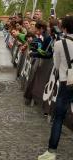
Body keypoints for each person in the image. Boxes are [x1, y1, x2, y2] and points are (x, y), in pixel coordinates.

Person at [38, 15, 73, 160]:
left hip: (66, 82)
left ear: (63, 28)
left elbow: (56, 65)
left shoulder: (60, 43)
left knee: (58, 118)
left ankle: (52, 151)